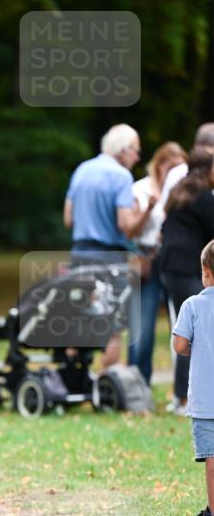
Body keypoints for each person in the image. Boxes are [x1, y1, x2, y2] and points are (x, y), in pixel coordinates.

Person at [63, 124, 143, 368]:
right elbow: (125, 224)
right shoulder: (121, 176)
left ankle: (71, 380)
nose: (137, 158)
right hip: (110, 258)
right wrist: (143, 213)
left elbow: (68, 219)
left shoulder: (82, 170)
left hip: (79, 254)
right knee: (112, 326)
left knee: (78, 319)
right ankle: (103, 384)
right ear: (124, 150)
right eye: (136, 152)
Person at [160, 148, 214, 415]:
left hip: (169, 267)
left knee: (189, 327)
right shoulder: (203, 198)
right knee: (195, 328)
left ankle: (182, 396)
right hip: (185, 268)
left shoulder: (179, 191)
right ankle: (183, 398)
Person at [127, 142, 186, 384]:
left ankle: (181, 387)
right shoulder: (140, 189)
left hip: (171, 261)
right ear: (159, 164)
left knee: (181, 324)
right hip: (146, 260)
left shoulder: (181, 192)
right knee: (143, 325)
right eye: (171, 167)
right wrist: (149, 208)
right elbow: (132, 231)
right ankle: (137, 383)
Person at [172, 239, 214, 516]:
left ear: (206, 272)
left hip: (206, 400)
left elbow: (179, 345)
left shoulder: (193, 305)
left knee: (212, 458)